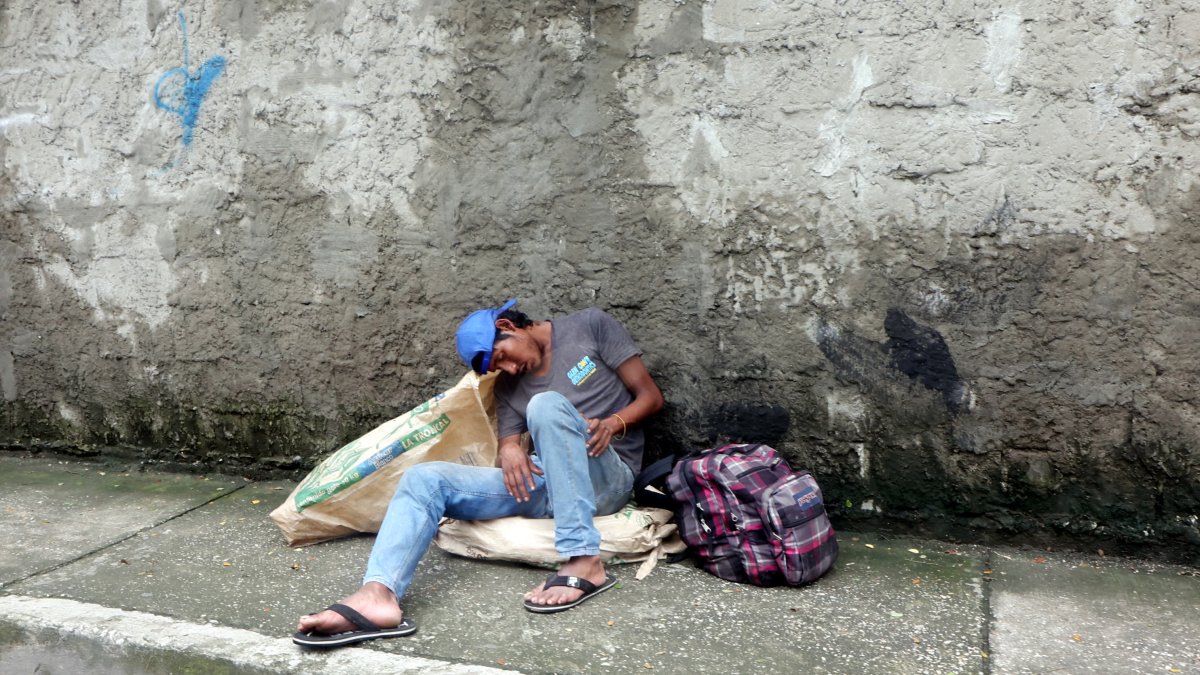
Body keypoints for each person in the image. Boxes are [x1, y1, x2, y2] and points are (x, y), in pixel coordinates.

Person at [294, 299, 664, 648]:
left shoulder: (589, 326)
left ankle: (584, 559)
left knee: (546, 405)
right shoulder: (507, 388)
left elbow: (650, 396)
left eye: (502, 357)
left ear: (507, 326)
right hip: (546, 482)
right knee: (426, 478)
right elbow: (507, 444)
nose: (508, 369)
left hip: (605, 474)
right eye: (496, 368)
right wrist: (510, 449)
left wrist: (613, 424)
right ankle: (378, 596)